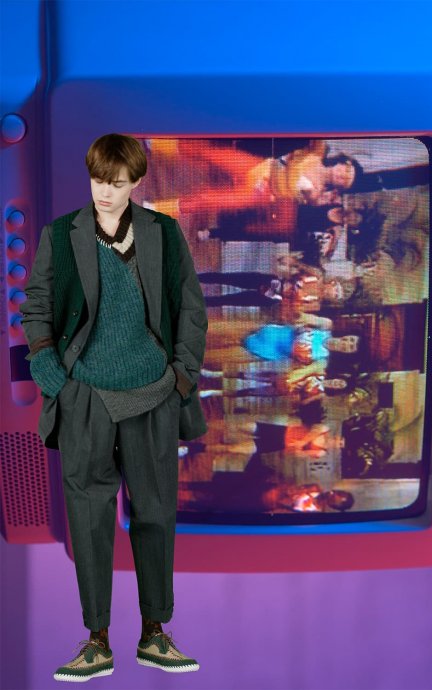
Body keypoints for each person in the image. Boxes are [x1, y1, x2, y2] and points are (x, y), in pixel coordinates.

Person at [19, 133, 208, 681]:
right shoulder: (61, 235)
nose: (105, 192)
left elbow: (190, 307)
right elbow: (36, 305)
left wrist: (181, 377)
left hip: (153, 395)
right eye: (98, 181)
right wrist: (52, 376)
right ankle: (96, 641)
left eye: (117, 183)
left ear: (136, 183)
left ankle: (155, 633)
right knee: (88, 519)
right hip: (85, 398)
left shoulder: (164, 234)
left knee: (156, 515)